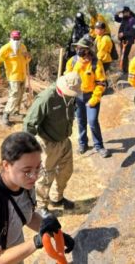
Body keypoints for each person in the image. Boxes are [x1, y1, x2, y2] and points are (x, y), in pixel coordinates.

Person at [0, 132, 75, 264]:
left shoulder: (24, 184)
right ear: (6, 166)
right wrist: (37, 241)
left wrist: (57, 234)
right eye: (27, 171)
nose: (34, 176)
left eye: (38, 168)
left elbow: (27, 216)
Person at [23, 72, 81, 217]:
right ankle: (40, 206)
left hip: (64, 141)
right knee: (45, 176)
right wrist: (29, 148)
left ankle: (57, 198)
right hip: (47, 143)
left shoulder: (71, 97)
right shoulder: (46, 98)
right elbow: (29, 123)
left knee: (66, 170)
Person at [65, 37, 111, 158]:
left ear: (88, 50)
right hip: (78, 96)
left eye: (81, 48)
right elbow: (67, 78)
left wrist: (94, 99)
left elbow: (101, 83)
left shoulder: (96, 63)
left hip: (92, 95)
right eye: (77, 47)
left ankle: (99, 146)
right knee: (81, 121)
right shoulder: (72, 61)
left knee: (92, 121)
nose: (78, 50)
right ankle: (83, 144)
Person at [0, 30, 32, 124]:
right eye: (14, 38)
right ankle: (6, 114)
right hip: (13, 76)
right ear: (11, 38)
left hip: (22, 75)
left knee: (21, 94)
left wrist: (28, 56)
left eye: (18, 38)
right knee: (14, 94)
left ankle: (15, 112)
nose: (16, 40)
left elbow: (26, 61)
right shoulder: (6, 49)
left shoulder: (23, 47)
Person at [114, 6, 135, 73]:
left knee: (124, 55)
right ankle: (124, 69)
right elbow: (116, 18)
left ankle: (125, 70)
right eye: (123, 12)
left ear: (128, 12)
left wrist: (123, 34)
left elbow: (133, 31)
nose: (124, 14)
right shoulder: (124, 19)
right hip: (123, 40)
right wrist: (118, 13)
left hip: (128, 40)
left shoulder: (132, 20)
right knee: (123, 55)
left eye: (125, 12)